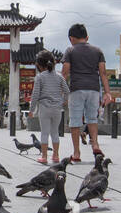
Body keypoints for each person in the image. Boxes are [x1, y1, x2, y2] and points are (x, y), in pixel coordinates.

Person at [61, 23, 111, 162]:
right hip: (94, 90)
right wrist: (107, 93)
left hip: (76, 89)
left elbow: (64, 73)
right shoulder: (98, 51)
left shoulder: (70, 51)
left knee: (75, 121)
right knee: (92, 119)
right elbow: (103, 73)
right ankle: (95, 144)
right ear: (87, 37)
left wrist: (61, 92)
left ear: (71, 38)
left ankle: (76, 153)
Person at [29, 49, 69, 164]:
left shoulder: (40, 77)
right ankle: (56, 156)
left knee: (45, 132)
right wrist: (63, 101)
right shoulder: (59, 76)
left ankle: (44, 156)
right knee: (55, 132)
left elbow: (35, 95)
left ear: (39, 65)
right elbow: (67, 90)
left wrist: (32, 110)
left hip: (44, 108)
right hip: (57, 108)